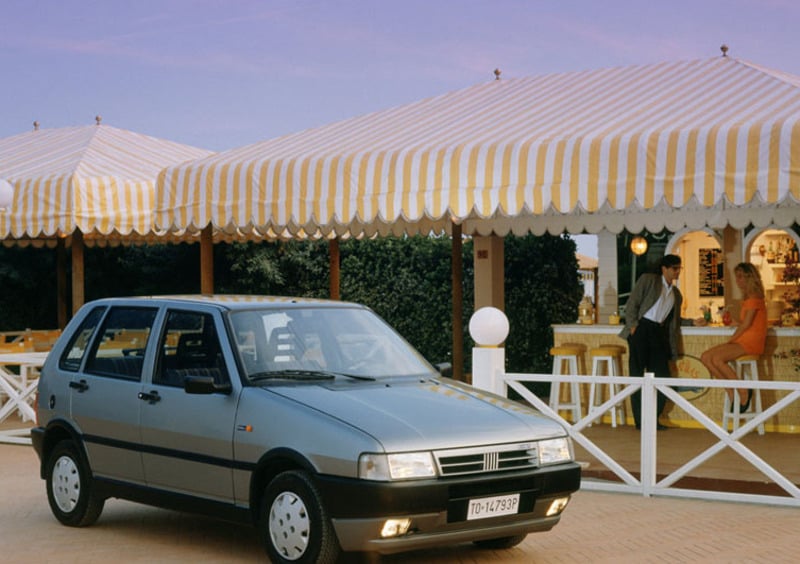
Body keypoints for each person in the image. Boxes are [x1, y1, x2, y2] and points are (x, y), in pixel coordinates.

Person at [619, 254, 697, 430]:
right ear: (664, 269)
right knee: (637, 377)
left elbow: (674, 320)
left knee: (663, 377)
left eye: (679, 268)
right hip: (642, 329)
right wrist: (633, 326)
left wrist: (693, 322)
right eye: (674, 268)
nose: (677, 272)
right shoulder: (649, 280)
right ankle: (641, 422)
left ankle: (653, 419)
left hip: (659, 333)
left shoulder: (676, 294)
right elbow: (632, 304)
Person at [700, 262, 767, 412]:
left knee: (716, 359)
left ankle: (743, 390)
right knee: (705, 357)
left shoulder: (755, 298)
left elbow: (746, 326)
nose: (737, 281)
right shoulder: (748, 298)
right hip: (744, 339)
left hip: (751, 342)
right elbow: (744, 323)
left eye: (740, 277)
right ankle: (730, 390)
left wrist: (731, 339)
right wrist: (732, 321)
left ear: (749, 278)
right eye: (737, 277)